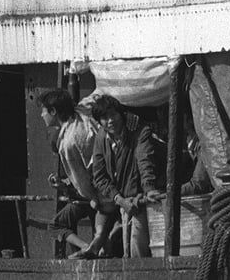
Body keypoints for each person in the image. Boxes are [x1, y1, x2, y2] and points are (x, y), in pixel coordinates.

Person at [38, 89, 117, 259]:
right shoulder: (81, 110)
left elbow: (83, 182)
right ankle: (100, 246)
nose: (41, 115)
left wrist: (93, 199)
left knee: (59, 224)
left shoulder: (69, 143)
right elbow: (97, 93)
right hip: (109, 182)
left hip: (98, 191)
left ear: (53, 112)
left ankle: (92, 247)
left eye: (44, 110)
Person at [90, 95, 165, 258]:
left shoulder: (139, 131)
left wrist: (149, 188)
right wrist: (119, 199)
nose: (110, 121)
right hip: (121, 199)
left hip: (141, 198)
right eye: (104, 118)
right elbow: (100, 176)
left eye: (113, 115)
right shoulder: (101, 138)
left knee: (138, 249)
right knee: (121, 247)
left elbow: (144, 160)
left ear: (121, 114)